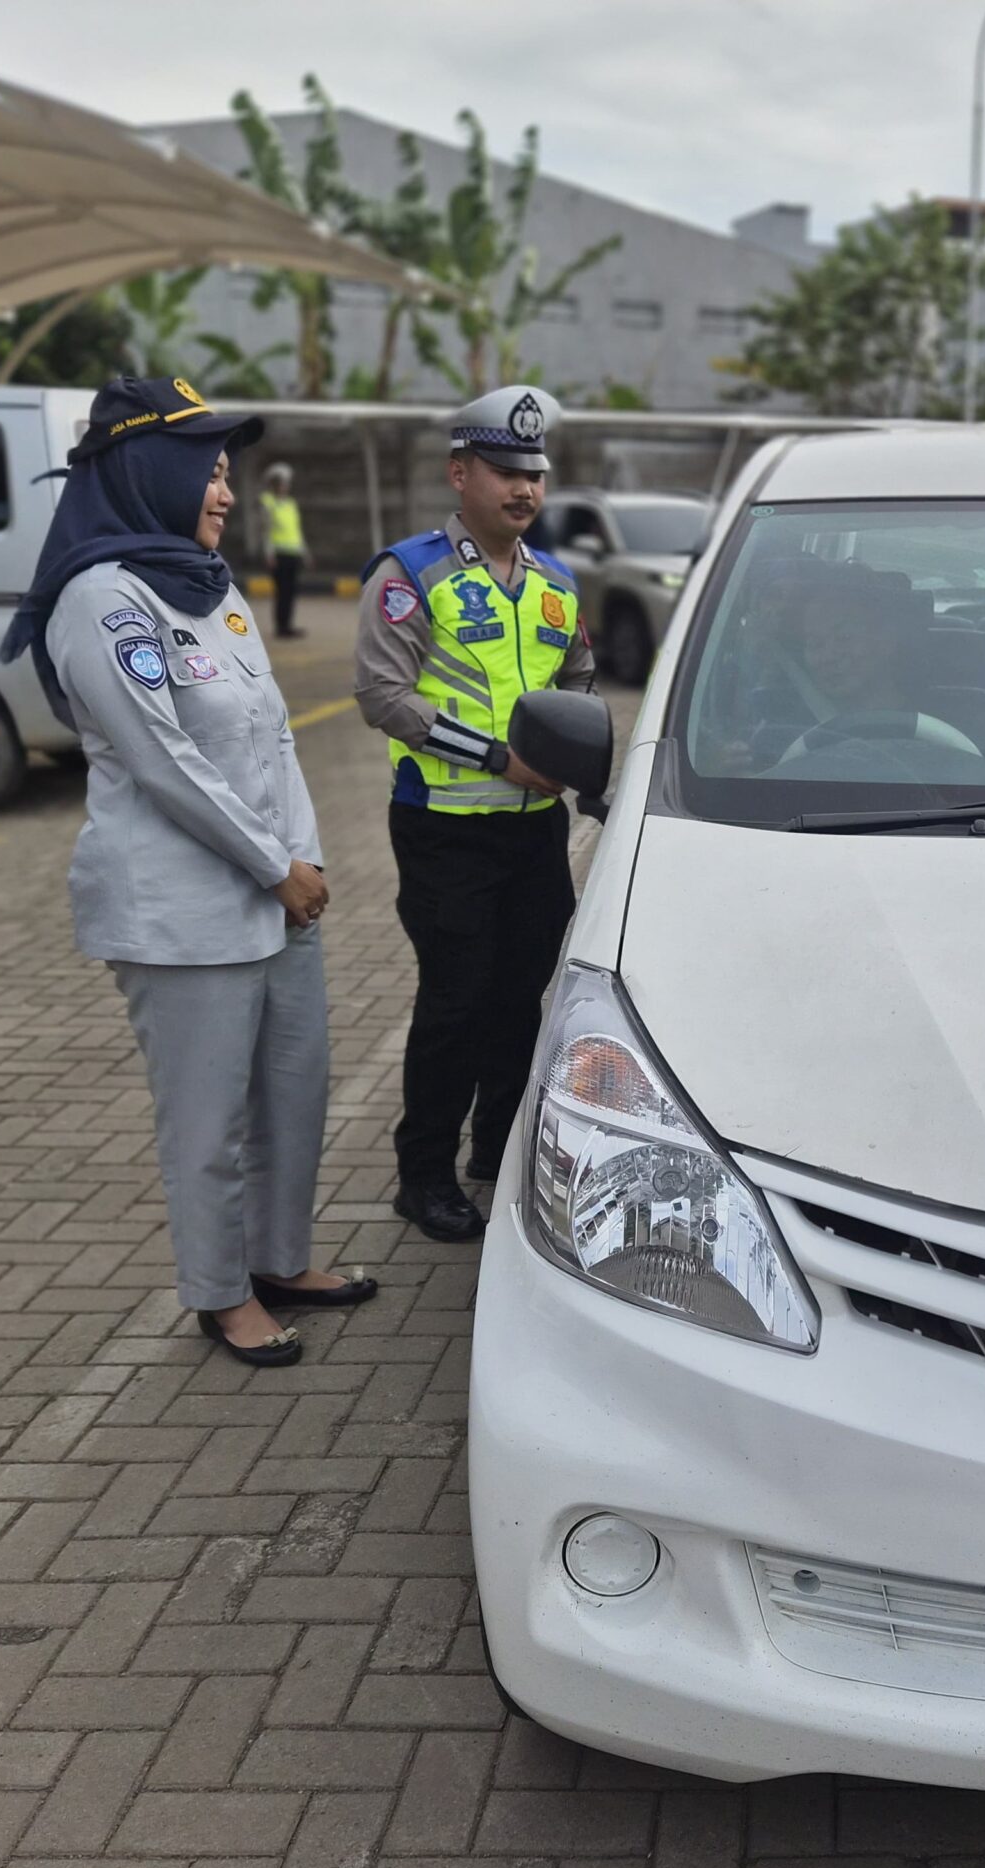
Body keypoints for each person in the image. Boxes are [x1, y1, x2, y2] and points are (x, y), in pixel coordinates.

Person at [0, 374, 373, 1367]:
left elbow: (275, 736)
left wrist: (308, 860)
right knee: (207, 1119)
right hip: (181, 911)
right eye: (205, 473)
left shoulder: (214, 592)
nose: (224, 493)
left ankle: (281, 1260)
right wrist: (274, 866)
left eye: (225, 473)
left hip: (278, 898)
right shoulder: (101, 602)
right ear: (146, 472)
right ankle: (220, 1294)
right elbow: (166, 760)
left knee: (294, 1092)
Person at [353, 384, 600, 1243]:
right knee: (455, 1001)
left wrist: (581, 759)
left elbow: (577, 683)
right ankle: (422, 1176)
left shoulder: (557, 584)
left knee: (521, 999)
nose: (524, 490)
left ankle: (497, 1152)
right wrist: (500, 758)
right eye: (503, 472)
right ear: (460, 473)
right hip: (444, 828)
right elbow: (382, 696)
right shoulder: (409, 574)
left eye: (533, 473)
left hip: (534, 832)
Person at [259, 462, 310, 640]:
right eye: (282, 483)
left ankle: (288, 625)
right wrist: (269, 554)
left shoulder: (291, 504)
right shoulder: (268, 503)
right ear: (274, 484)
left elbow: (297, 530)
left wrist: (305, 553)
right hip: (278, 555)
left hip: (293, 553)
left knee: (291, 591)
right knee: (282, 591)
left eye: (287, 483)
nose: (285, 486)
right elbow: (265, 531)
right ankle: (281, 627)